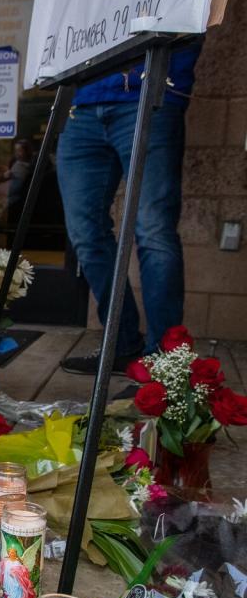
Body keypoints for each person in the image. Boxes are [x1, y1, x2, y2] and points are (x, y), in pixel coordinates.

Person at [57, 46, 201, 375]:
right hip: (82, 102)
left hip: (151, 91)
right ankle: (121, 345)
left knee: (153, 229)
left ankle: (165, 362)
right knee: (84, 232)